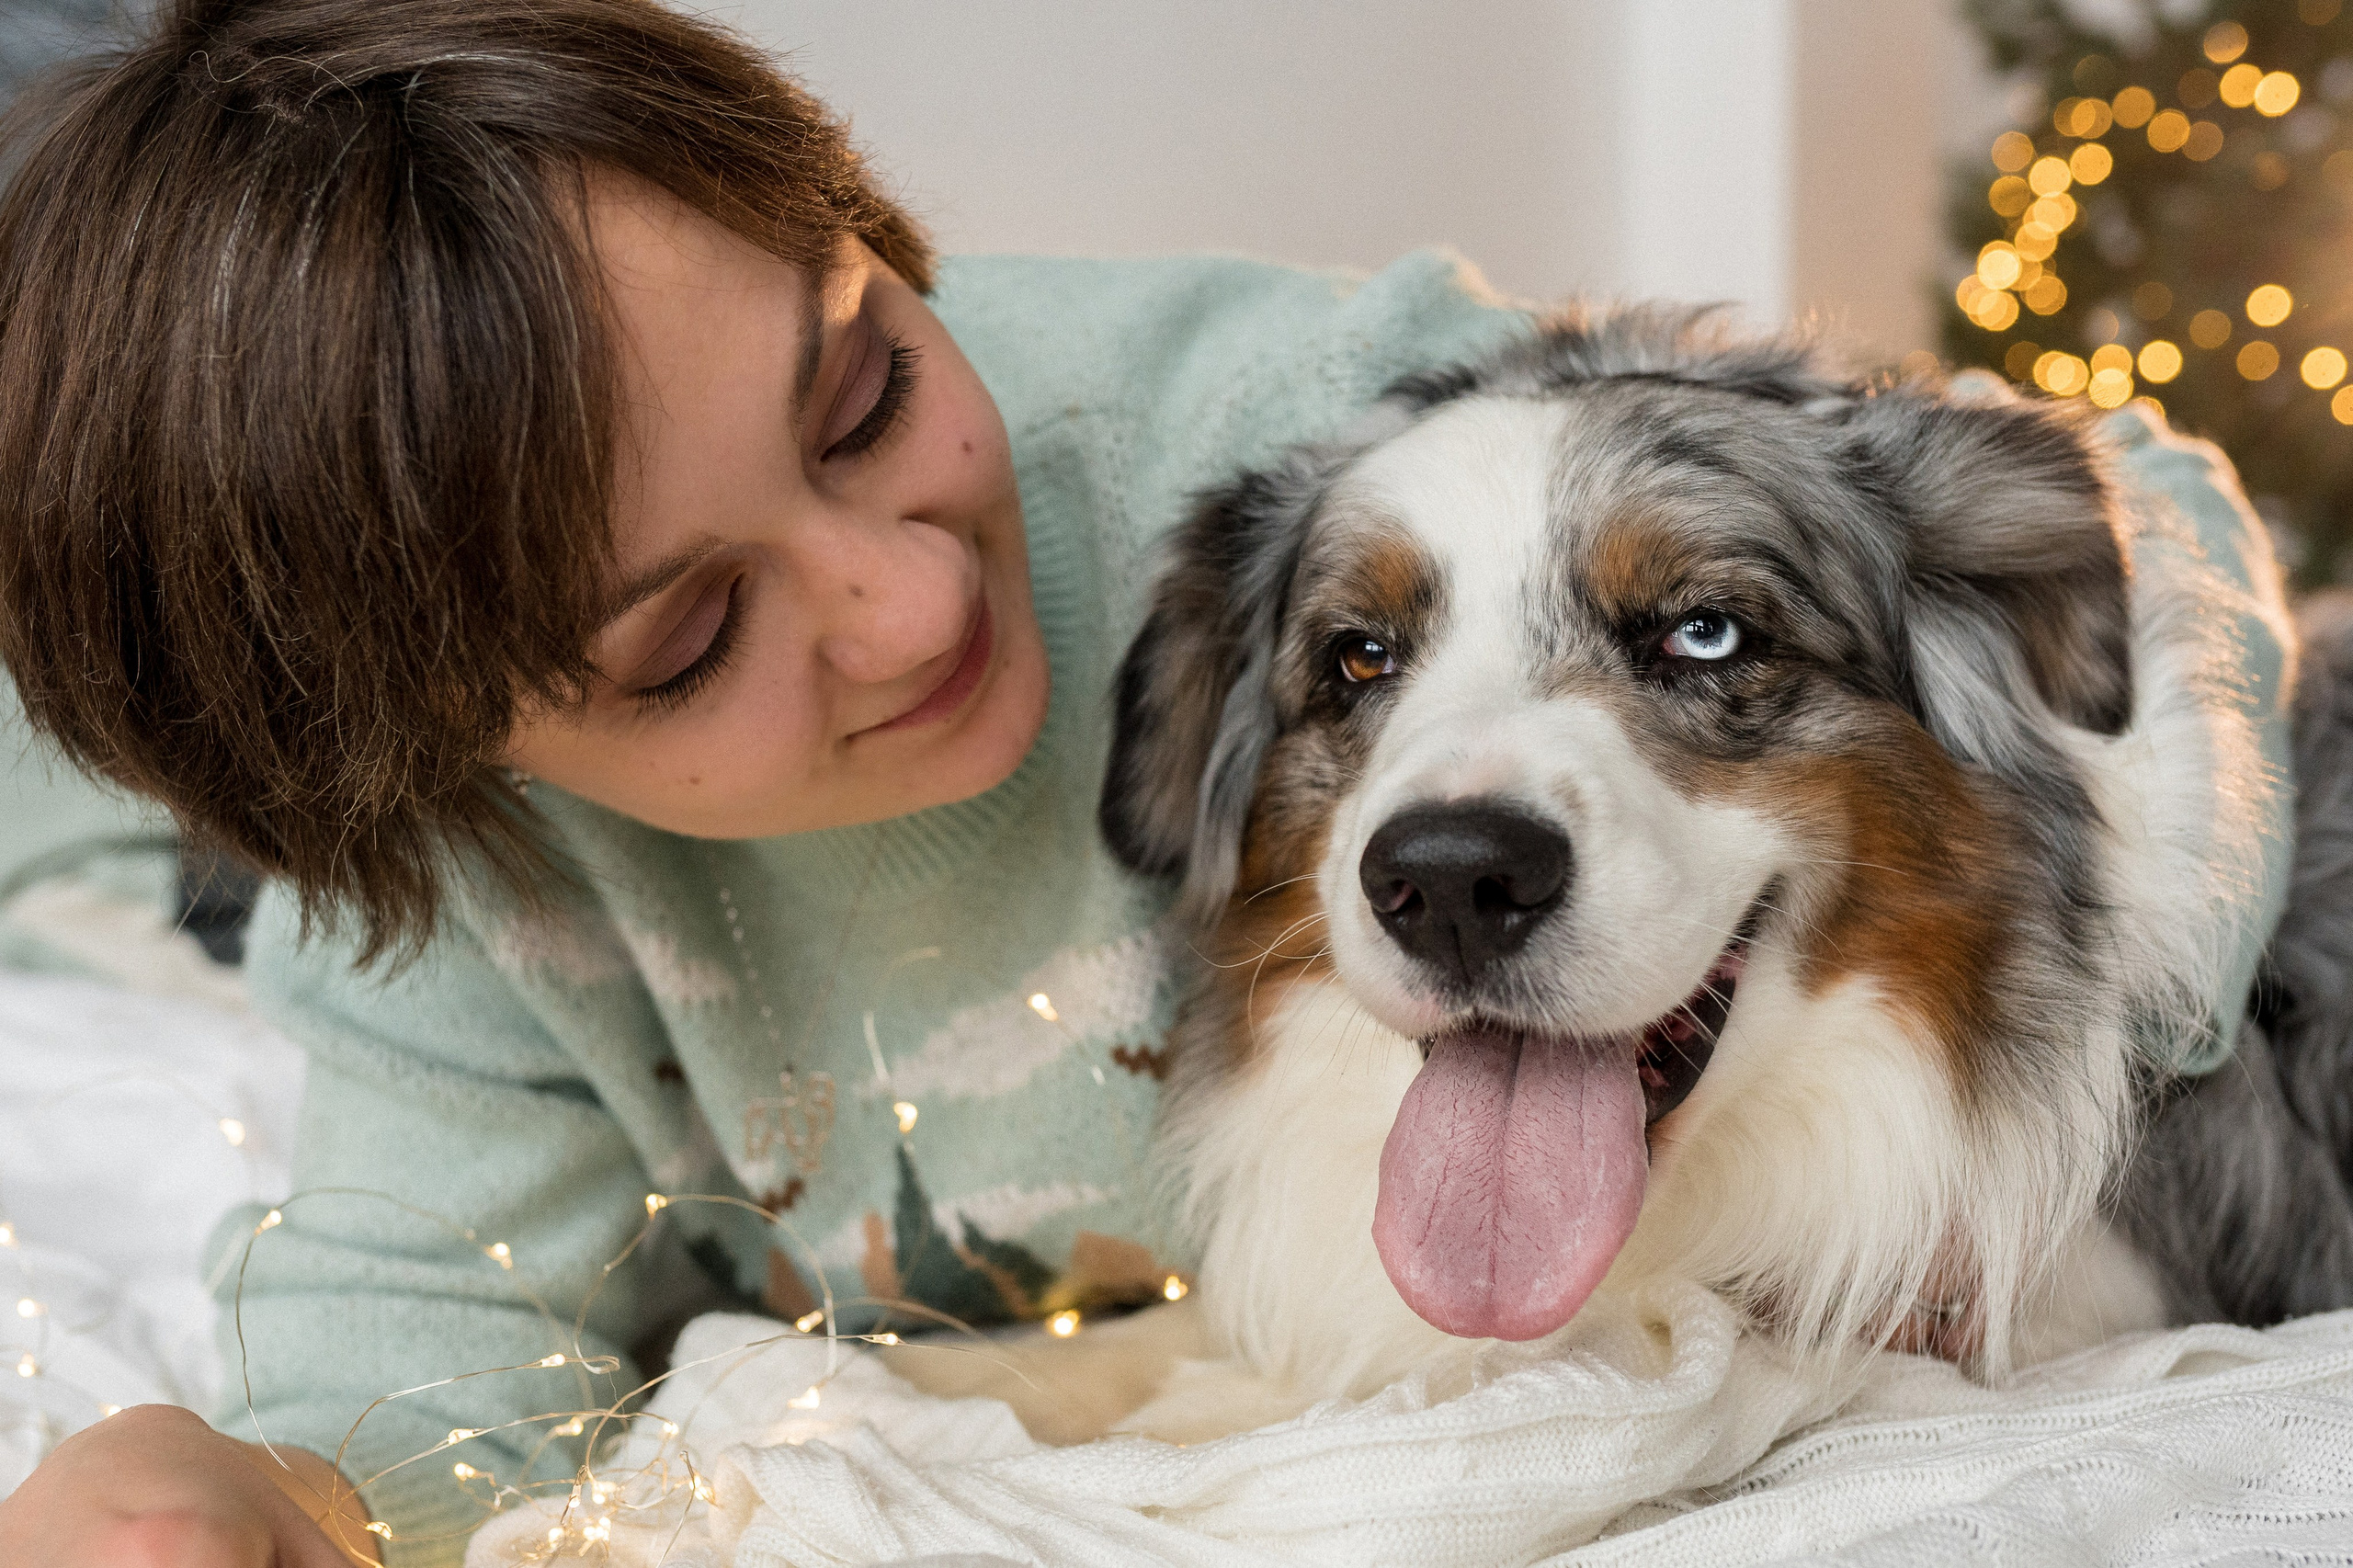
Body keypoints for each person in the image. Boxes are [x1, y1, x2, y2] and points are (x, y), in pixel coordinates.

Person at [0, 2, 2290, 1565]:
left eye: (864, 389)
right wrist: (234, 1479)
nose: (902, 598)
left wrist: (2101, 1047)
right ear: (434, 767)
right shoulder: (451, 900)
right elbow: (415, 1374)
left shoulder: (1299, 414)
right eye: (689, 636)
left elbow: (2089, 506)